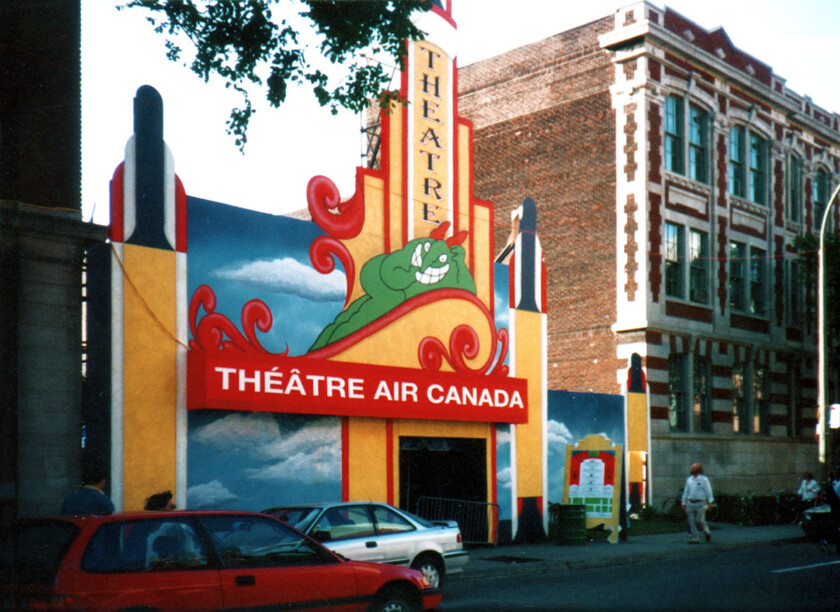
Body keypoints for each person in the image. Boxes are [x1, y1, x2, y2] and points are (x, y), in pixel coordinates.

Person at [681, 462, 714, 544]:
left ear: (698, 469)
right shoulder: (689, 480)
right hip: (690, 502)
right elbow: (686, 491)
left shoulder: (704, 479)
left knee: (699, 520)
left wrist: (710, 501)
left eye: (693, 467)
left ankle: (707, 532)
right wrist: (683, 502)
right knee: (691, 521)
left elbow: (708, 491)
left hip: (701, 503)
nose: (691, 469)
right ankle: (695, 538)